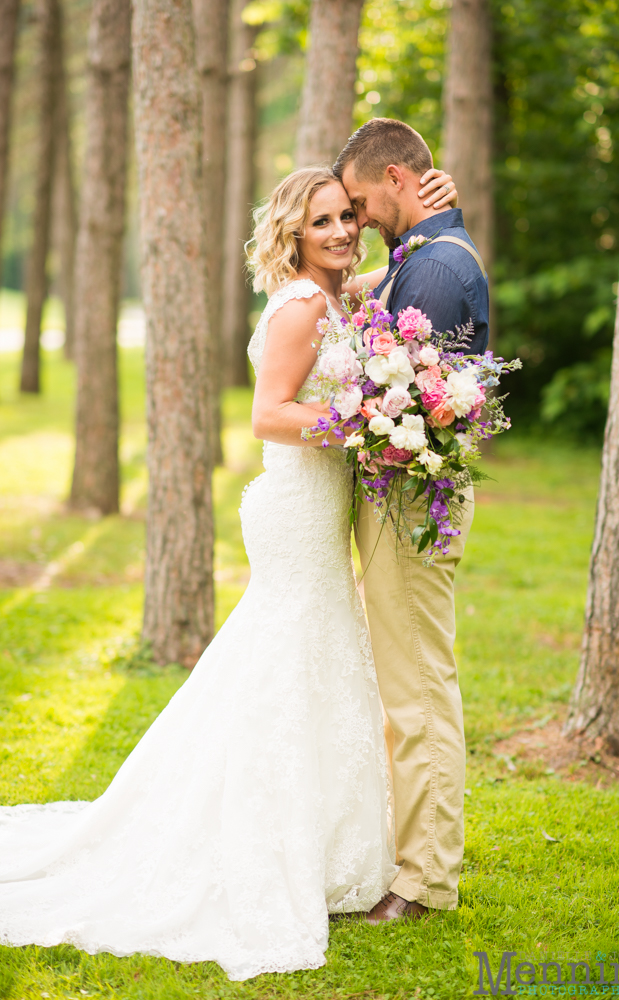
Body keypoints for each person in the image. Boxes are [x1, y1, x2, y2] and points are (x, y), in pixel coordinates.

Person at [0, 164, 457, 980]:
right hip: (296, 508)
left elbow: (389, 271)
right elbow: (266, 415)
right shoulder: (303, 305)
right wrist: (366, 422)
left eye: (347, 216)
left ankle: (317, 842)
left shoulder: (331, 294)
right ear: (291, 233)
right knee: (286, 661)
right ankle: (253, 843)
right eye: (320, 222)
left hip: (314, 507)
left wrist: (428, 217)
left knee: (307, 662)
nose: (341, 231)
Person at [333, 118, 490, 923]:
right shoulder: (420, 259)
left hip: (410, 504)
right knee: (407, 684)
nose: (354, 222)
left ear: (397, 178)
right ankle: (409, 854)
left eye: (359, 203)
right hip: (399, 498)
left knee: (418, 689)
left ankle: (423, 880)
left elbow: (410, 397)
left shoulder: (433, 273)